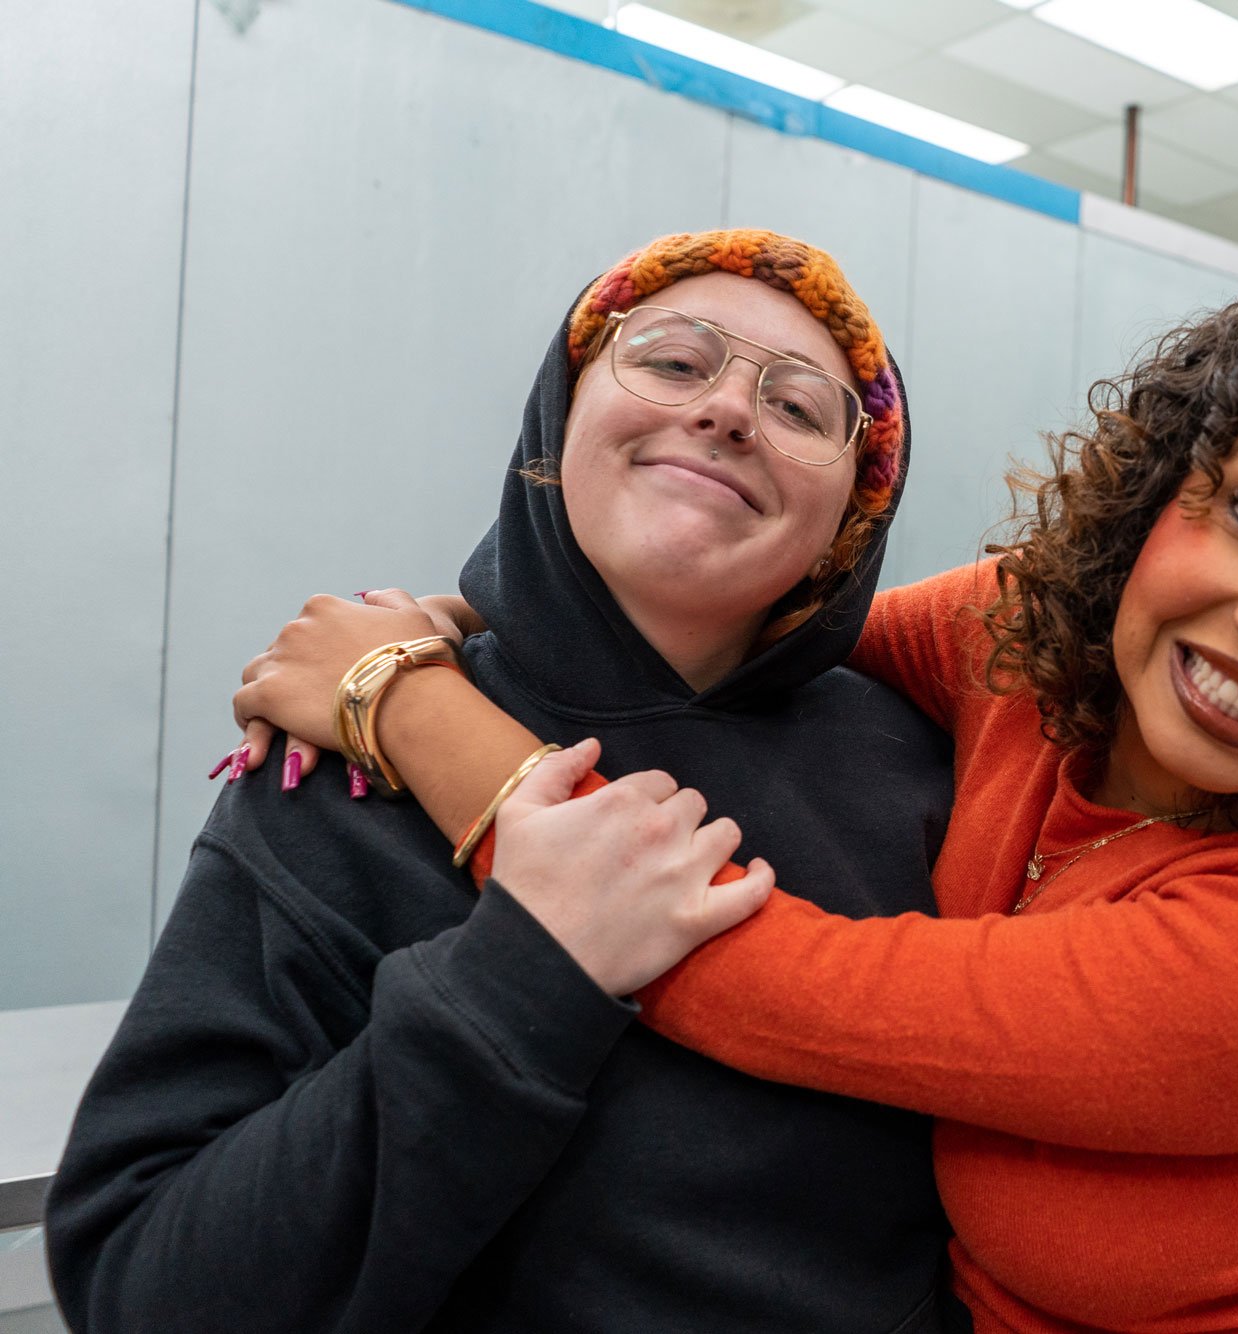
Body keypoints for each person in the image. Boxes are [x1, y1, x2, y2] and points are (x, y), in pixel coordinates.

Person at [225, 281, 1238, 1330]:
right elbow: (760, 625)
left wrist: (404, 701)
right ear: (1155, 501)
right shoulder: (1024, 643)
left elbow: (737, 970)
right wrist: (473, 618)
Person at [45, 230, 967, 1334]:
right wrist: (523, 972)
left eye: (799, 409)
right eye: (674, 362)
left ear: (846, 532)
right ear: (559, 424)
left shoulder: (929, 781)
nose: (726, 410)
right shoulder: (344, 764)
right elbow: (142, 1281)